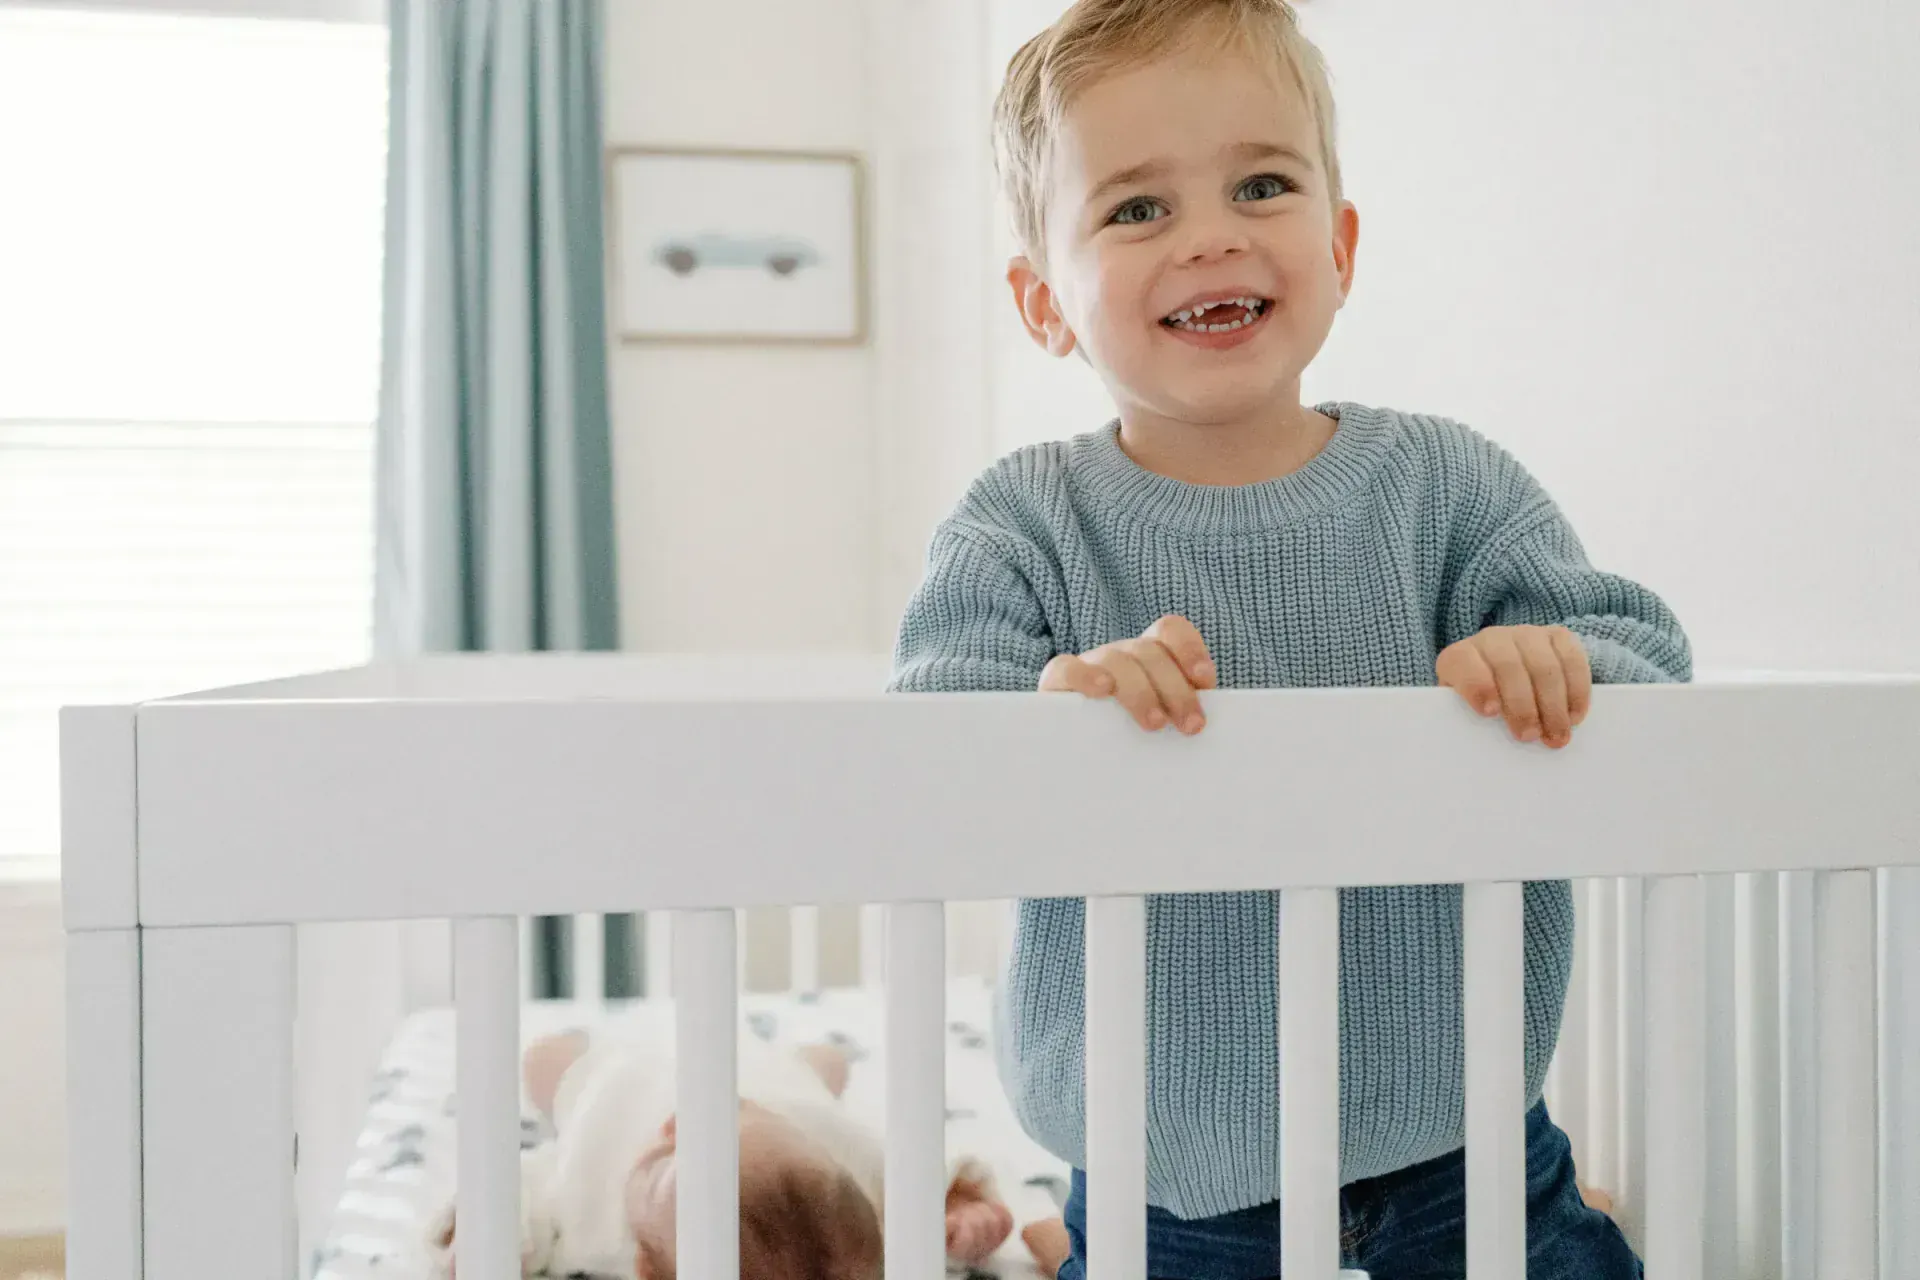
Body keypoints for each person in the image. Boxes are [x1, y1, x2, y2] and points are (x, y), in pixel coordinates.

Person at [887, 1, 1690, 1276]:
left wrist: (1559, 662)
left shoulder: (1449, 485)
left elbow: (1640, 652)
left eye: (1262, 184)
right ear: (1044, 302)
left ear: (1340, 243)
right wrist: (1055, 707)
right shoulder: (1018, 525)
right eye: (1137, 209)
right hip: (1166, 1187)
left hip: (1467, 1147)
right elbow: (925, 762)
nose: (1211, 235)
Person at [429, 1025, 1020, 1278]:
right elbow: (902, 1173)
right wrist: (956, 1200)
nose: (672, 1127)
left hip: (614, 1083)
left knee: (545, 1065)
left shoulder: (593, 1218)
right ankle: (810, 1067)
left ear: (646, 1267)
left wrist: (489, 1232)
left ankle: (809, 1066)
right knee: (820, 1071)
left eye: (661, 1167)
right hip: (771, 1088)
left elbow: (523, 1187)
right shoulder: (826, 1153)